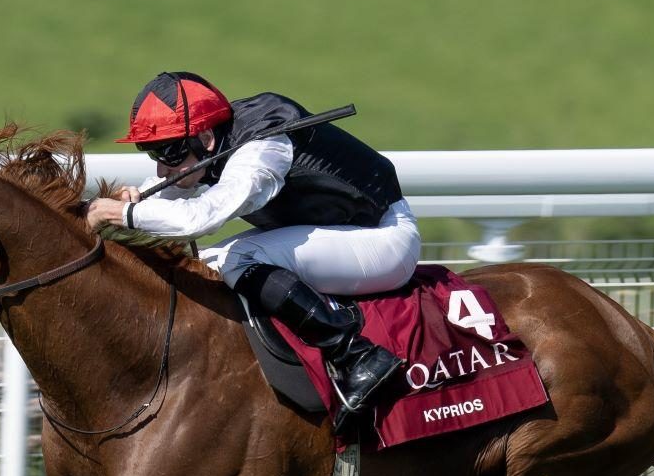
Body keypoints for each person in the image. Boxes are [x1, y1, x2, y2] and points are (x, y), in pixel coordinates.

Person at [85, 71, 419, 425]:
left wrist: (122, 213)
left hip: (385, 239)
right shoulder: (209, 143)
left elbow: (200, 218)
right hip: (334, 232)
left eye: (168, 151)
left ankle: (356, 354)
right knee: (209, 264)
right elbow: (168, 188)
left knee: (237, 258)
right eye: (151, 152)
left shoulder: (263, 149)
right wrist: (135, 198)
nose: (161, 166)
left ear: (206, 138)